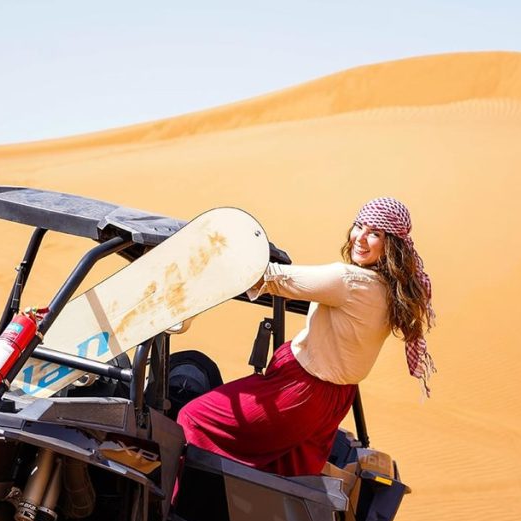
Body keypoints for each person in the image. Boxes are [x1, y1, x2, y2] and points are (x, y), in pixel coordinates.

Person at [176, 197, 435, 477]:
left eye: (375, 233)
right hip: (332, 402)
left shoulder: (347, 281)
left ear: (392, 244)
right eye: (359, 226)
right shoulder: (391, 291)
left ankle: (175, 507)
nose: (360, 238)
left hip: (298, 393)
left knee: (194, 418)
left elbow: (271, 277)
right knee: (283, 475)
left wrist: (209, 256)